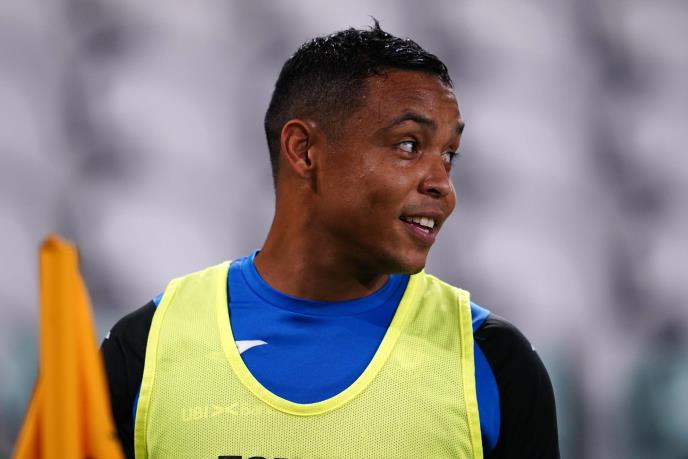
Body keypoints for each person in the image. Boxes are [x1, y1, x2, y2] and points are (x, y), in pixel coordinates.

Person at [101, 21, 560, 459]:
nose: (443, 185)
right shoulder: (145, 347)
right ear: (303, 150)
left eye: (449, 155)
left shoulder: (494, 360)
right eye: (408, 145)